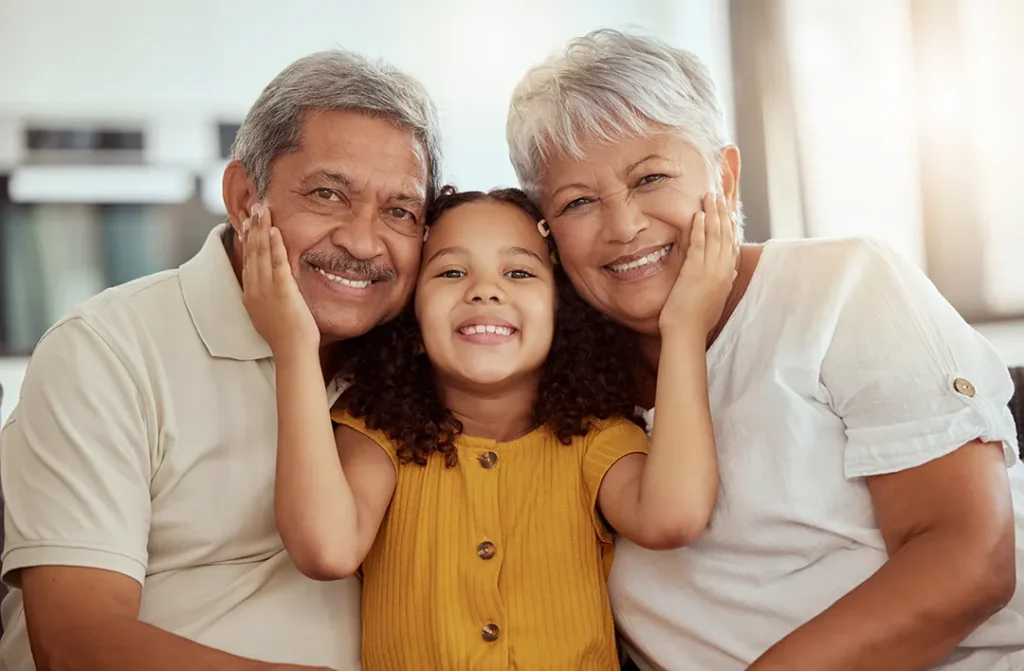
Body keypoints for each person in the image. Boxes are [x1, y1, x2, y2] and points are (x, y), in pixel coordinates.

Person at [506, 29, 1024, 671]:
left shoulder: (843, 284)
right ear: (548, 230)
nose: (624, 226)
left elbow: (971, 561)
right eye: (579, 201)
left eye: (651, 178)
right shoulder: (554, 383)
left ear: (723, 176)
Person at [0, 49, 442, 671]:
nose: (364, 241)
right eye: (328, 194)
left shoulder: (423, 366)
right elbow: (78, 645)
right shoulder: (106, 351)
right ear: (243, 199)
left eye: (400, 210)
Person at [239, 184, 735, 669]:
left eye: (519, 272)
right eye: (451, 272)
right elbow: (326, 550)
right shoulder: (378, 433)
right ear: (412, 320)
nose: (484, 291)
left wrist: (685, 329)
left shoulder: (594, 438)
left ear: (561, 314)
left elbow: (673, 517)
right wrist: (294, 346)